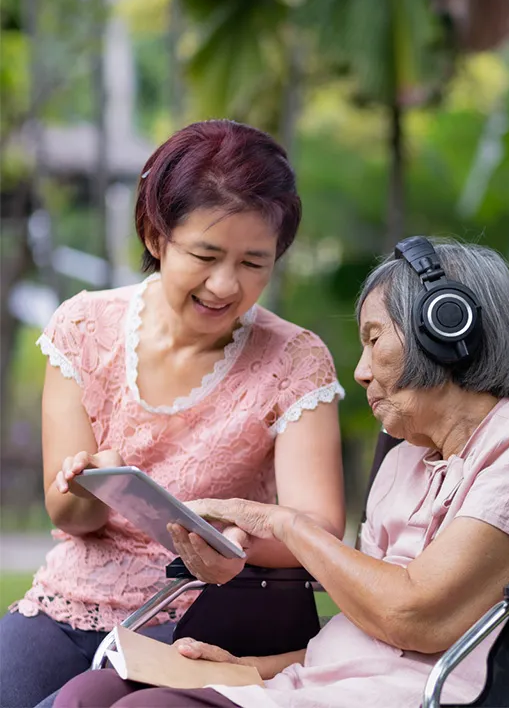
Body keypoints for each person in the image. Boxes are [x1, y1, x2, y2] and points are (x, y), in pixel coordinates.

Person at [54, 238, 509, 708]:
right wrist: (249, 669)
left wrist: (285, 523)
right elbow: (367, 637)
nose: (360, 371)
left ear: (446, 328)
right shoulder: (406, 460)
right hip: (341, 686)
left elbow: (409, 618)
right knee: (88, 696)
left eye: (374, 340)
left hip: (432, 694)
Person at [0, 120, 346, 708]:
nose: (224, 284)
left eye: (254, 263)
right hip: (73, 597)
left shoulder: (296, 359)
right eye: (205, 254)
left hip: (210, 606)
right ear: (156, 236)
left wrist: (238, 543)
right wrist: (94, 482)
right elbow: (70, 516)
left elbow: (319, 529)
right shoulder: (83, 328)